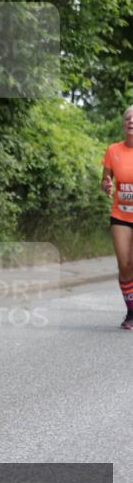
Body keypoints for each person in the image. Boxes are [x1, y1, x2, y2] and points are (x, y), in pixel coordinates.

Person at [101, 104, 133, 330]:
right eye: (128, 119)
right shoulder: (113, 150)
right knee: (124, 264)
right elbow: (105, 180)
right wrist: (106, 184)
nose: (131, 122)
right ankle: (131, 312)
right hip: (120, 215)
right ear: (123, 125)